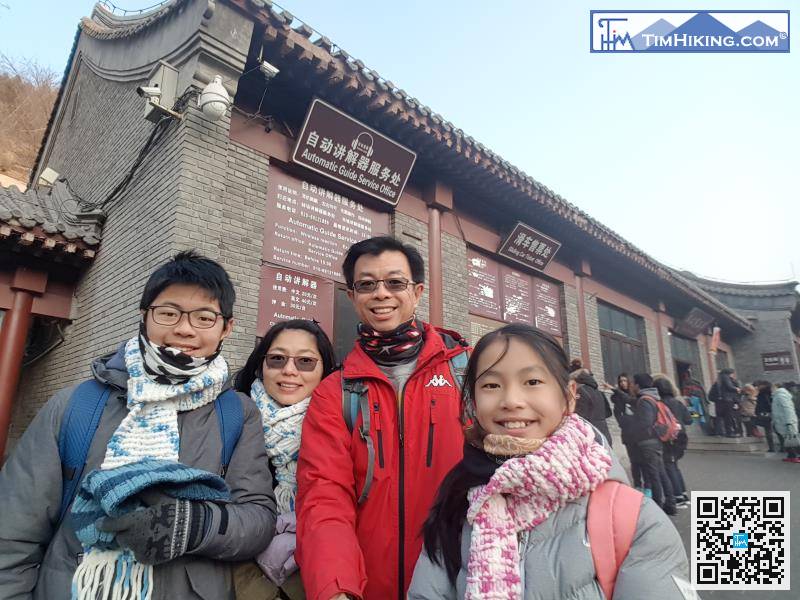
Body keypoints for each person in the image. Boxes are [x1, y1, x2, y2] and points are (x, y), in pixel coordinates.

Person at [0, 251, 277, 600]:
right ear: (144, 315)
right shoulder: (74, 406)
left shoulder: (237, 413)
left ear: (227, 327)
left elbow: (257, 519)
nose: (184, 328)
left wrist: (193, 526)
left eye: (204, 317)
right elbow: (12, 536)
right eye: (168, 313)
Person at [407, 324, 690, 599]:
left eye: (532, 382)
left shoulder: (635, 521)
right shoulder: (458, 498)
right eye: (491, 385)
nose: (511, 400)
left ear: (568, 397)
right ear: (473, 400)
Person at [295, 236, 470, 600]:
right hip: (367, 586)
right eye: (367, 285)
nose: (381, 294)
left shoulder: (468, 373)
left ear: (417, 292)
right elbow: (325, 496)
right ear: (352, 296)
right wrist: (335, 587)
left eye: (395, 282)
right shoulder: (334, 392)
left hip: (461, 579)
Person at [232, 319, 337, 600]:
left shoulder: (343, 429)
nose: (289, 370)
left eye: (305, 362)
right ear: (260, 365)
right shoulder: (229, 420)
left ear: (325, 370)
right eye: (277, 359)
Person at [630, 373, 677, 515]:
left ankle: (657, 507)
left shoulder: (644, 400)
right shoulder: (654, 398)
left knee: (653, 475)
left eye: (633, 383)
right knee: (661, 473)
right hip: (656, 441)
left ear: (638, 385)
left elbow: (646, 422)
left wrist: (634, 427)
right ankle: (671, 503)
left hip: (648, 442)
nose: (632, 386)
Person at [653, 374, 692, 508]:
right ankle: (683, 494)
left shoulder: (659, 404)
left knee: (669, 467)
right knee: (674, 466)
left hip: (669, 439)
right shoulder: (678, 402)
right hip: (681, 437)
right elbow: (689, 419)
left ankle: (678, 497)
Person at [610, 373, 644, 490]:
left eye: (625, 381)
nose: (623, 383)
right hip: (628, 432)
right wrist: (623, 422)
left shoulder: (635, 395)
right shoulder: (617, 397)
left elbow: (632, 402)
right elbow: (617, 413)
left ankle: (648, 485)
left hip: (640, 432)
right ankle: (637, 484)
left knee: (643, 460)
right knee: (634, 460)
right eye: (621, 381)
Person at [570, 368, 613, 446]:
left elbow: (579, 416)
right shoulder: (599, 392)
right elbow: (608, 413)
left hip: (591, 435)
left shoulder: (580, 392)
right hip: (604, 433)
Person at [771, 383, 800, 463]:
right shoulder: (777, 396)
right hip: (781, 420)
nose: (771, 389)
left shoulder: (781, 396)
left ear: (777, 387)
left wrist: (789, 421)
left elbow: (788, 409)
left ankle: (794, 455)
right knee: (787, 439)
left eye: (772, 387)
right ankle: (791, 456)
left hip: (785, 421)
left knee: (792, 439)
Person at [716, 368, 741, 437]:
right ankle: (729, 432)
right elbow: (729, 387)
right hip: (728, 399)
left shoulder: (720, 378)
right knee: (729, 417)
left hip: (722, 400)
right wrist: (736, 389)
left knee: (724, 417)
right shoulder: (726, 377)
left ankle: (725, 432)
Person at [754, 380, 776, 451]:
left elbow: (765, 404)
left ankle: (771, 447)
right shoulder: (768, 393)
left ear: (763, 386)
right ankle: (774, 447)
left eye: (759, 385)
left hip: (764, 413)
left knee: (768, 430)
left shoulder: (763, 394)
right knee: (770, 430)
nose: (757, 387)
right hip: (768, 413)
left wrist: (759, 411)